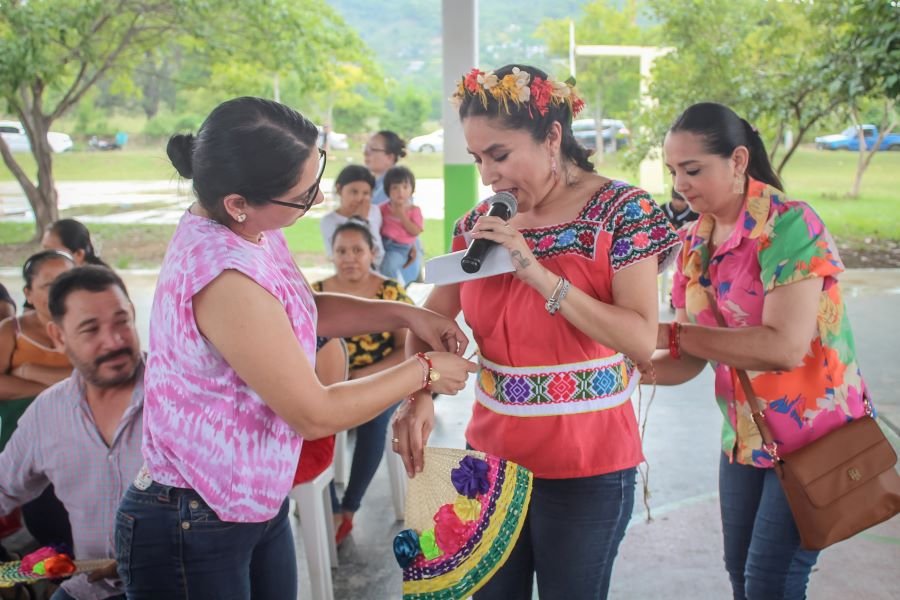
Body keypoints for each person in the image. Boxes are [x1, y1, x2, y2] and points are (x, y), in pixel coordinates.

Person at [115, 96, 476, 600]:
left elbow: (302, 308)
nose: (314, 204)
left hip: (250, 500)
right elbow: (313, 412)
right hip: (192, 520)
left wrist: (406, 313)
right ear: (238, 202)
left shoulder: (250, 230)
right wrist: (424, 372)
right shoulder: (222, 277)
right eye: (301, 197)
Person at [392, 64, 680, 600]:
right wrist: (418, 393)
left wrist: (536, 271)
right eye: (478, 159)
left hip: (589, 466)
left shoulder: (624, 212)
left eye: (499, 156)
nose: (487, 176)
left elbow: (641, 339)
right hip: (490, 463)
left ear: (552, 137)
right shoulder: (478, 226)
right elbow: (429, 322)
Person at [648, 102, 871, 600]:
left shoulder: (790, 225)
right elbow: (689, 358)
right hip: (747, 435)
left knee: (772, 579)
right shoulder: (694, 241)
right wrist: (621, 368)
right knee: (740, 572)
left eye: (693, 169)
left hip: (816, 434)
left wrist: (661, 335)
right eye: (673, 171)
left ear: (738, 160)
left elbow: (783, 347)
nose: (680, 184)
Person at [0, 266, 144, 600]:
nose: (114, 340)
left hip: (177, 585)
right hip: (88, 589)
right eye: (90, 329)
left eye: (122, 321)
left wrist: (147, 559)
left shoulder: (182, 402)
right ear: (58, 336)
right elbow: (4, 486)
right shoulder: (47, 414)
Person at [314, 220, 416, 544]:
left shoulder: (389, 292)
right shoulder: (315, 294)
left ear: (373, 253)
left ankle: (349, 508)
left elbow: (407, 350)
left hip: (381, 380)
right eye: (341, 250)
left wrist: (364, 377)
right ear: (331, 255)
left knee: (373, 417)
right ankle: (326, 505)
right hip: (328, 384)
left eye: (357, 250)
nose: (349, 257)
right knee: (311, 419)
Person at [364, 130, 422, 282]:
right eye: (366, 147)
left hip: (399, 266)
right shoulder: (377, 185)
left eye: (372, 149)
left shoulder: (390, 190)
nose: (366, 153)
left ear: (390, 157)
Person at [319, 164, 385, 269]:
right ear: (339, 189)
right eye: (354, 192)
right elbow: (337, 258)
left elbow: (378, 255)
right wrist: (360, 220)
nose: (359, 198)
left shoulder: (374, 212)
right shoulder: (329, 221)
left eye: (365, 193)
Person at [379, 165, 424, 283]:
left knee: (388, 266)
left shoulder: (414, 210)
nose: (400, 192)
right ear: (387, 190)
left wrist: (402, 216)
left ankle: (393, 289)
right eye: (395, 188)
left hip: (401, 248)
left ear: (412, 189)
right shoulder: (382, 208)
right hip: (383, 244)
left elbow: (415, 231)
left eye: (405, 187)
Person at [42, 219, 108, 267]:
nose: (43, 258)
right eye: (44, 250)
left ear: (79, 254)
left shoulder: (92, 283)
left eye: (51, 253)